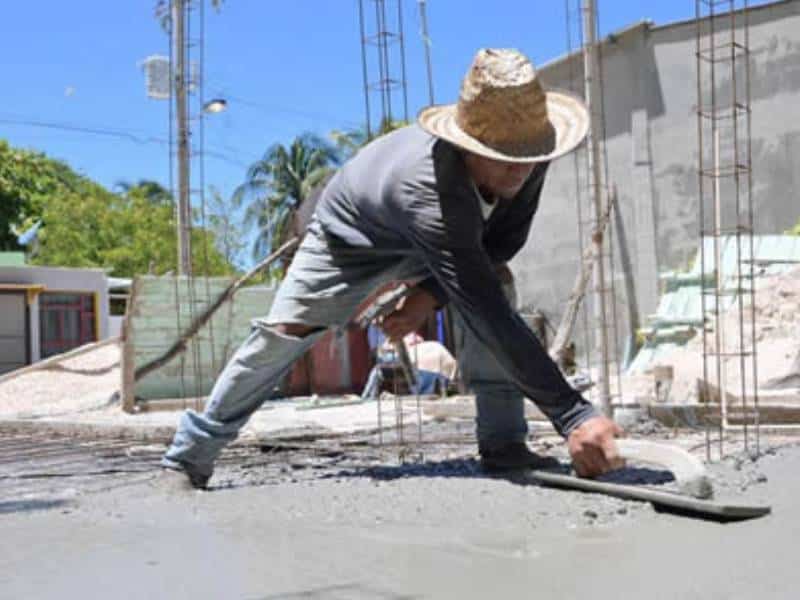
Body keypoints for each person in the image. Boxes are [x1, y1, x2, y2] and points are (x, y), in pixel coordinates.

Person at [161, 48, 623, 489]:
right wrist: (573, 415)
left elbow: (501, 244)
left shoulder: (527, 154)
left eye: (525, 158)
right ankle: (190, 456)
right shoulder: (426, 190)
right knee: (288, 330)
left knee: (498, 283)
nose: (518, 172)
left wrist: (426, 295)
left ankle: (505, 445)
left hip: (441, 237)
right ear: (466, 147)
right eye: (503, 160)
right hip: (350, 238)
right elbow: (481, 308)